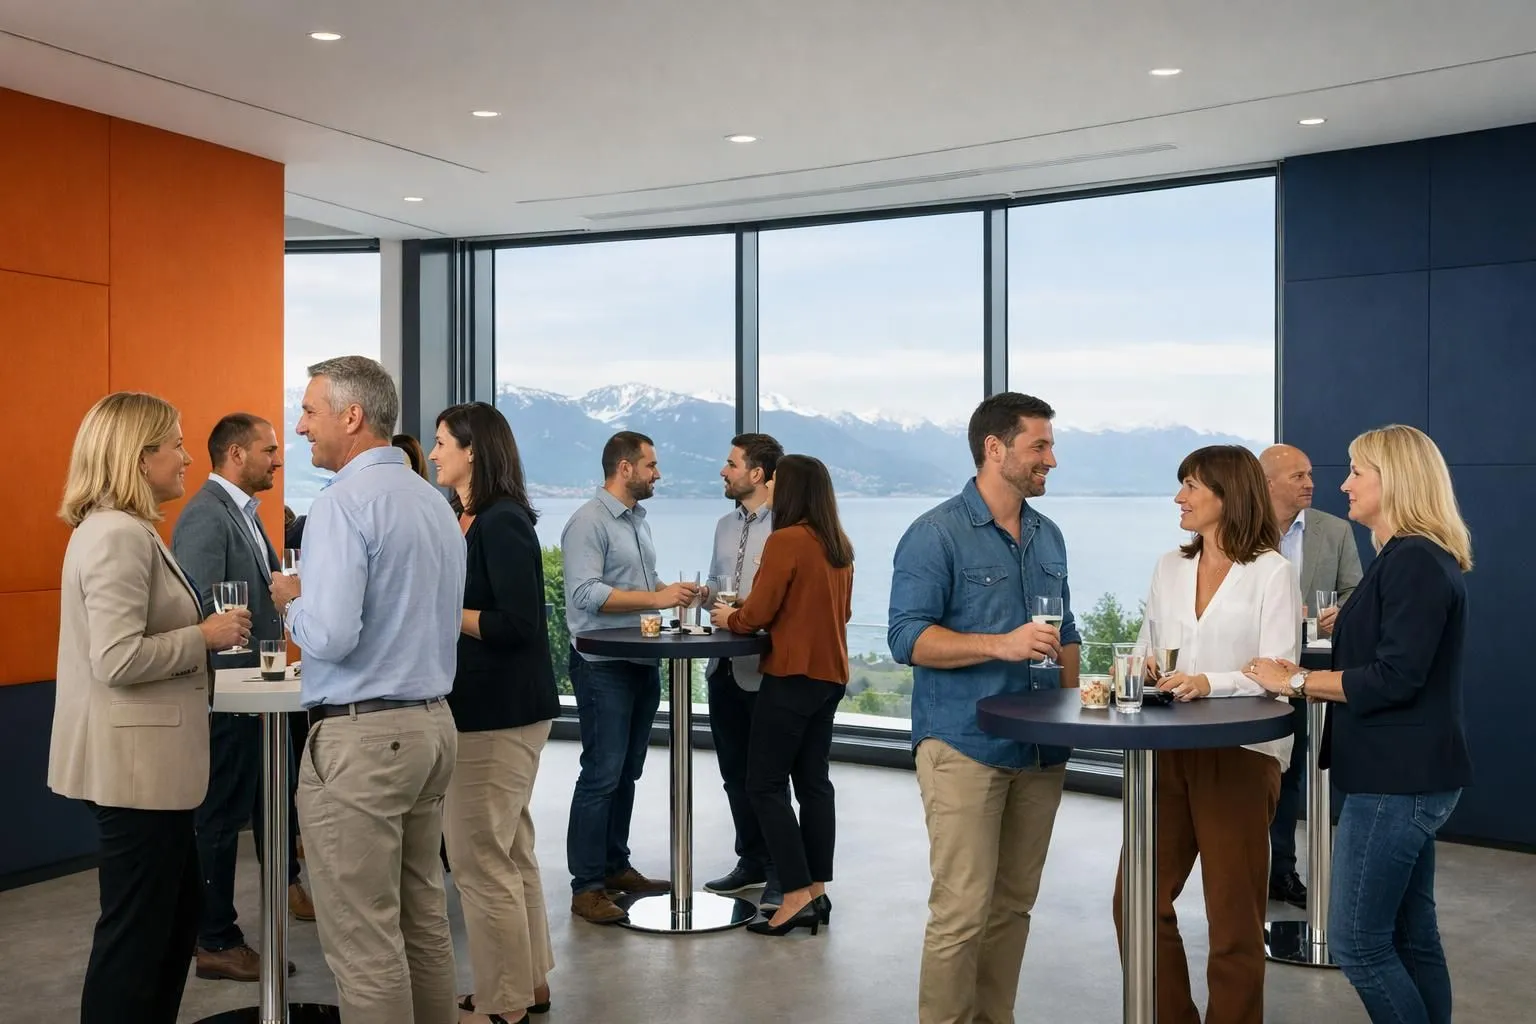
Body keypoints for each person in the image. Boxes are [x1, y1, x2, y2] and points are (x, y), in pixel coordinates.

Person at [1246, 425, 1472, 1024]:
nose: (1341, 484)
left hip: (1396, 783)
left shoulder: (1414, 562)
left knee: (1357, 944)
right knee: (1410, 935)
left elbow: (1394, 678)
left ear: (1392, 481)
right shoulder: (1407, 557)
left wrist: (1293, 682)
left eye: (1355, 471)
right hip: (1412, 775)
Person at [268, 356, 466, 1024]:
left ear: (352, 416)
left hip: (362, 740)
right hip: (432, 729)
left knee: (363, 941)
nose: (299, 427)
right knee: (422, 922)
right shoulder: (435, 504)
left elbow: (330, 635)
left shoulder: (343, 505)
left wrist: (292, 601)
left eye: (309, 411)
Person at [49, 392, 251, 1024]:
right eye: (178, 445)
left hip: (147, 770)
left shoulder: (124, 530)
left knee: (169, 923)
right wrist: (205, 637)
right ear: (140, 458)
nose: (189, 458)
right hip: (134, 771)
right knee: (137, 939)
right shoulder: (115, 536)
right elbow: (116, 660)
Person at [887, 392, 1080, 1024]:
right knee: (962, 911)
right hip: (963, 744)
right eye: (1040, 446)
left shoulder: (1048, 536)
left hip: (1041, 749)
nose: (1051, 458)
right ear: (994, 449)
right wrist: (1002, 644)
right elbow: (906, 638)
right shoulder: (934, 534)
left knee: (1013, 906)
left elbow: (1068, 632)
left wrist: (1083, 700)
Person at [1114, 445, 1299, 1024]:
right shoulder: (1170, 565)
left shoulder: (1273, 571)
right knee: (1135, 903)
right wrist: (1145, 666)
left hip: (1241, 755)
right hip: (1166, 751)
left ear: (1228, 495)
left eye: (1191, 485)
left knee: (1233, 921)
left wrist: (1206, 682)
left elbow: (1281, 669)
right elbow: (1148, 644)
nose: (1179, 497)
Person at [430, 403, 559, 1024]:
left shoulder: (501, 523)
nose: (433, 455)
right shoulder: (475, 518)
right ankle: (527, 984)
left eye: (441, 443)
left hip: (495, 715)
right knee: (509, 851)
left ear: (472, 450)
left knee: (480, 859)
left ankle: (500, 1003)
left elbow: (518, 624)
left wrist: (438, 614)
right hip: (497, 711)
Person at [171, 413, 311, 984]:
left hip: (259, 694)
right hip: (231, 696)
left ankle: (272, 902)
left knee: (258, 809)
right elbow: (204, 611)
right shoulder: (207, 515)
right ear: (235, 453)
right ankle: (216, 940)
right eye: (268, 450)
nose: (278, 459)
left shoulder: (246, 514)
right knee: (220, 820)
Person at [710, 454, 853, 937]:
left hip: (791, 676)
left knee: (763, 785)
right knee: (814, 784)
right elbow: (842, 613)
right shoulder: (839, 545)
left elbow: (755, 615)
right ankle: (816, 890)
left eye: (775, 481)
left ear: (790, 490)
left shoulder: (786, 540)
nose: (769, 487)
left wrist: (728, 617)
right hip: (830, 677)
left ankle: (792, 893)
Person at [560, 430, 697, 924]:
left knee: (628, 771)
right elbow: (585, 594)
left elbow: (639, 588)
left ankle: (615, 866)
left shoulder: (638, 522)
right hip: (602, 667)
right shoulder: (587, 523)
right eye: (651, 465)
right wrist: (657, 599)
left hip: (642, 662)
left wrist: (675, 592)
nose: (657, 474)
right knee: (601, 774)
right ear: (624, 468)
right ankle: (586, 886)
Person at [1260, 443, 1364, 908]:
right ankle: (1248, 870)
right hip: (1255, 671)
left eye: (1309, 474)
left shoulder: (1335, 530)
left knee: (1294, 770)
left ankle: (1281, 871)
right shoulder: (1241, 530)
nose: (1311, 483)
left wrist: (1337, 614)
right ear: (1267, 483)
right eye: (1298, 476)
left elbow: (1356, 595)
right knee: (1261, 774)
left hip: (1310, 671)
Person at [700, 433, 785, 911]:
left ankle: (779, 870)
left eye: (731, 464)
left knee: (768, 777)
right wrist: (704, 596)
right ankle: (750, 859)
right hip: (723, 666)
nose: (723, 471)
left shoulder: (788, 526)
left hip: (767, 669)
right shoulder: (722, 525)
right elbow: (718, 587)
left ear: (757, 474)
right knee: (733, 773)